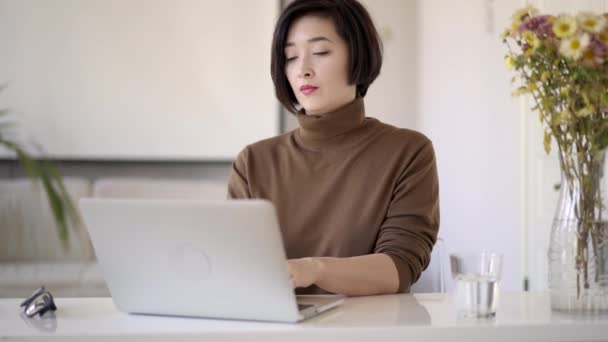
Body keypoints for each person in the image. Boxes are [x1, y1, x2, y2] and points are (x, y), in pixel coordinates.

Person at [227, 0, 439, 296]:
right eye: (290, 57)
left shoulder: (408, 151)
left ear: (358, 55)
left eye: (320, 52)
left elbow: (400, 266)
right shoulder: (253, 162)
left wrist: (315, 269)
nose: (302, 70)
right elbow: (234, 266)